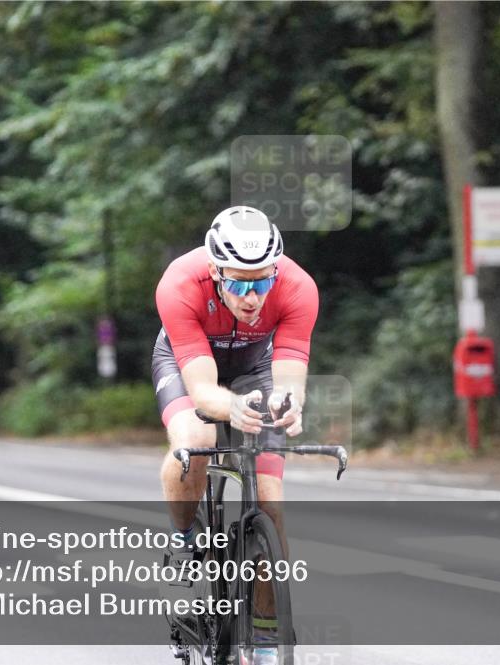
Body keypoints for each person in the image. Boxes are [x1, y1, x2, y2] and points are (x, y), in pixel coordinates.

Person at [152, 205, 318, 664]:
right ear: (214, 271)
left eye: (262, 281)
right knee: (196, 441)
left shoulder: (298, 288)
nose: (252, 296)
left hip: (255, 365)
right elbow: (204, 392)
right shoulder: (180, 284)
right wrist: (232, 407)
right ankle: (185, 538)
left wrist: (288, 405)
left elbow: (288, 378)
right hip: (189, 361)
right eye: (240, 283)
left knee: (269, 494)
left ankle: (266, 639)